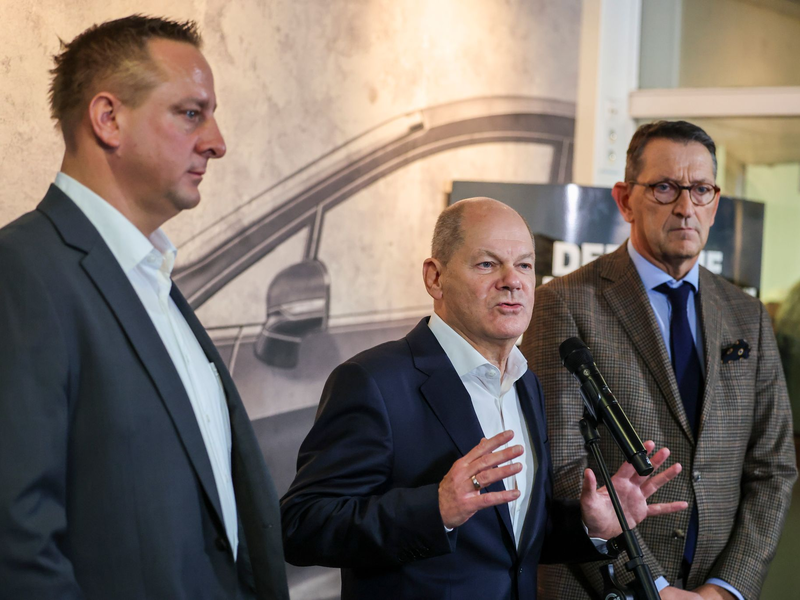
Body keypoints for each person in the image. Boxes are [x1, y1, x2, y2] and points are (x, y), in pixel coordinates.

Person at [0, 15, 288, 600]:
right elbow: (18, 542)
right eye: (191, 113)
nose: (217, 142)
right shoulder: (22, 273)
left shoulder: (151, 277)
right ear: (108, 118)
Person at [281, 197, 687, 600]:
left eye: (524, 265)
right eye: (487, 264)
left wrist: (587, 525)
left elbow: (509, 536)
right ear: (435, 278)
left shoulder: (526, 383)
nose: (513, 281)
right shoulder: (373, 380)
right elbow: (302, 526)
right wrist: (435, 509)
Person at [523, 120, 797, 600]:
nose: (686, 207)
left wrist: (727, 588)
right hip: (608, 589)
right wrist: (655, 589)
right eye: (665, 187)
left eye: (701, 189)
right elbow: (563, 469)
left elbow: (773, 467)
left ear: (715, 202)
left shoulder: (747, 314)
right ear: (625, 200)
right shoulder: (563, 303)